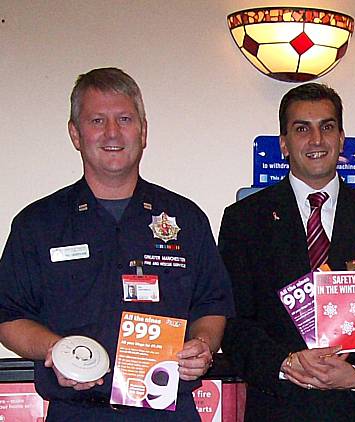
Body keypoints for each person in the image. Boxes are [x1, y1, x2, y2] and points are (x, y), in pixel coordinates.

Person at [0, 67, 235, 421]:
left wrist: (202, 344)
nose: (112, 132)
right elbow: (8, 315)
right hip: (78, 411)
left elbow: (212, 303)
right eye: (97, 120)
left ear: (143, 131)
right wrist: (54, 349)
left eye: (124, 119)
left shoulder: (186, 219)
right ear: (75, 134)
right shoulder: (38, 224)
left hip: (168, 411)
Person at [218, 83, 355, 421]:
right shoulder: (243, 220)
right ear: (283, 144)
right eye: (301, 129)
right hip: (281, 406)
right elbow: (233, 325)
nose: (316, 140)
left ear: (341, 139)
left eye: (327, 126)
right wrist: (286, 362)